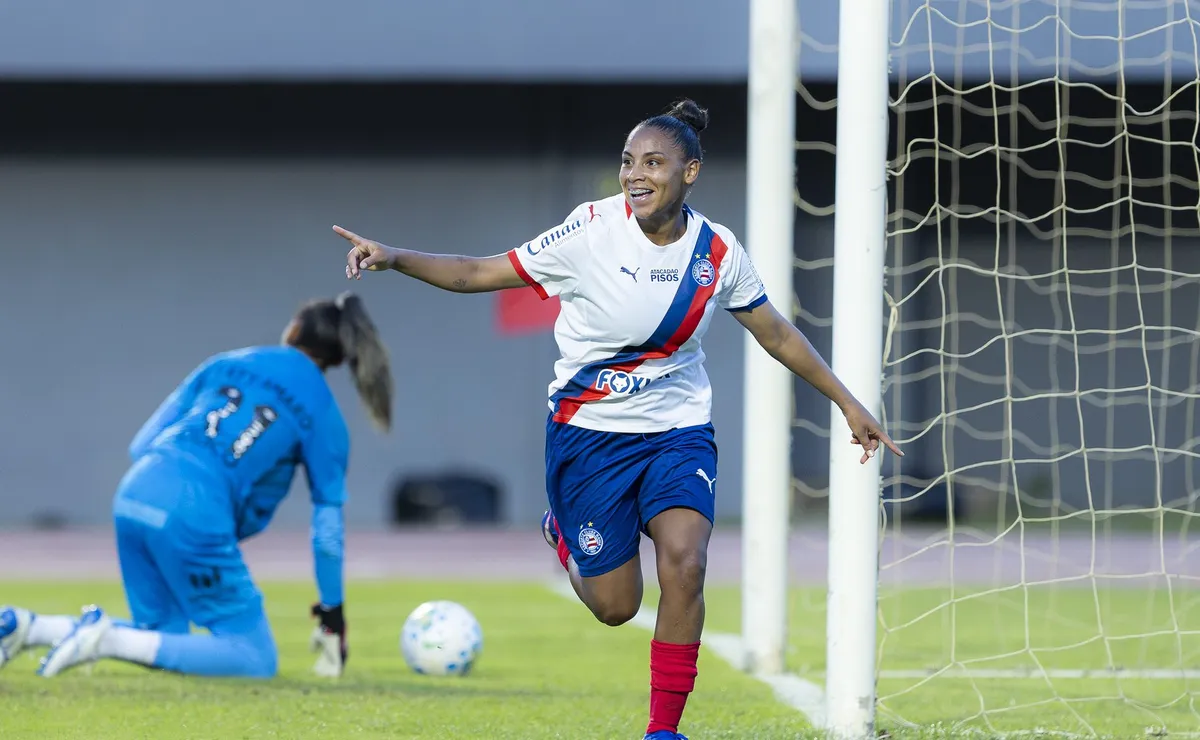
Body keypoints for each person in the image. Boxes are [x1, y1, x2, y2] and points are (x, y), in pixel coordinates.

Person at [333, 99, 901, 740]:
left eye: (654, 162)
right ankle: (565, 530)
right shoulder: (591, 230)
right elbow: (479, 273)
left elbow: (774, 331)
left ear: (691, 172)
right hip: (590, 436)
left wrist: (848, 402)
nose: (636, 174)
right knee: (616, 606)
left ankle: (663, 731)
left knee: (686, 562)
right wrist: (393, 255)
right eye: (629, 161)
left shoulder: (718, 251)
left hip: (678, 430)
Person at [0, 292, 393, 680]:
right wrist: (332, 615)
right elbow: (327, 535)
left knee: (162, 641)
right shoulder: (325, 416)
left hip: (136, 491)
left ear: (292, 330)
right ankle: (106, 641)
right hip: (195, 509)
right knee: (253, 656)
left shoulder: (225, 363)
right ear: (341, 354)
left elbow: (141, 443)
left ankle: (30, 628)